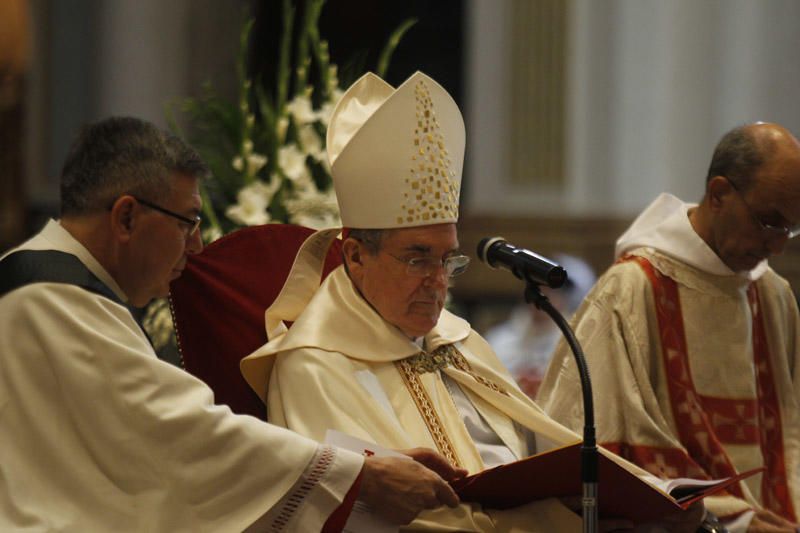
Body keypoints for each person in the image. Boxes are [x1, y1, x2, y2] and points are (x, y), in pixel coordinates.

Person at [241, 71, 702, 532]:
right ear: (356, 255)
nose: (438, 282)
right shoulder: (313, 366)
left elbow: (541, 457)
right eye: (417, 259)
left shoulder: (460, 343)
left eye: (448, 261)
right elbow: (365, 516)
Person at [0, 116, 465, 532]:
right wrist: (361, 477)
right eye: (188, 222)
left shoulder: (56, 288)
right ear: (126, 217)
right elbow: (182, 436)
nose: (197, 245)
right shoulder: (52, 298)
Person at [537, 122, 800, 532]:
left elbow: (791, 441)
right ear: (718, 194)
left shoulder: (774, 298)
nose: (778, 245)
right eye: (769, 222)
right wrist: (733, 521)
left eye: (791, 228)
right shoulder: (632, 290)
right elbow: (580, 450)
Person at [484, 254, 596, 398]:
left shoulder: (577, 346)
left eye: (553, 290)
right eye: (539, 287)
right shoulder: (498, 341)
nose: (545, 294)